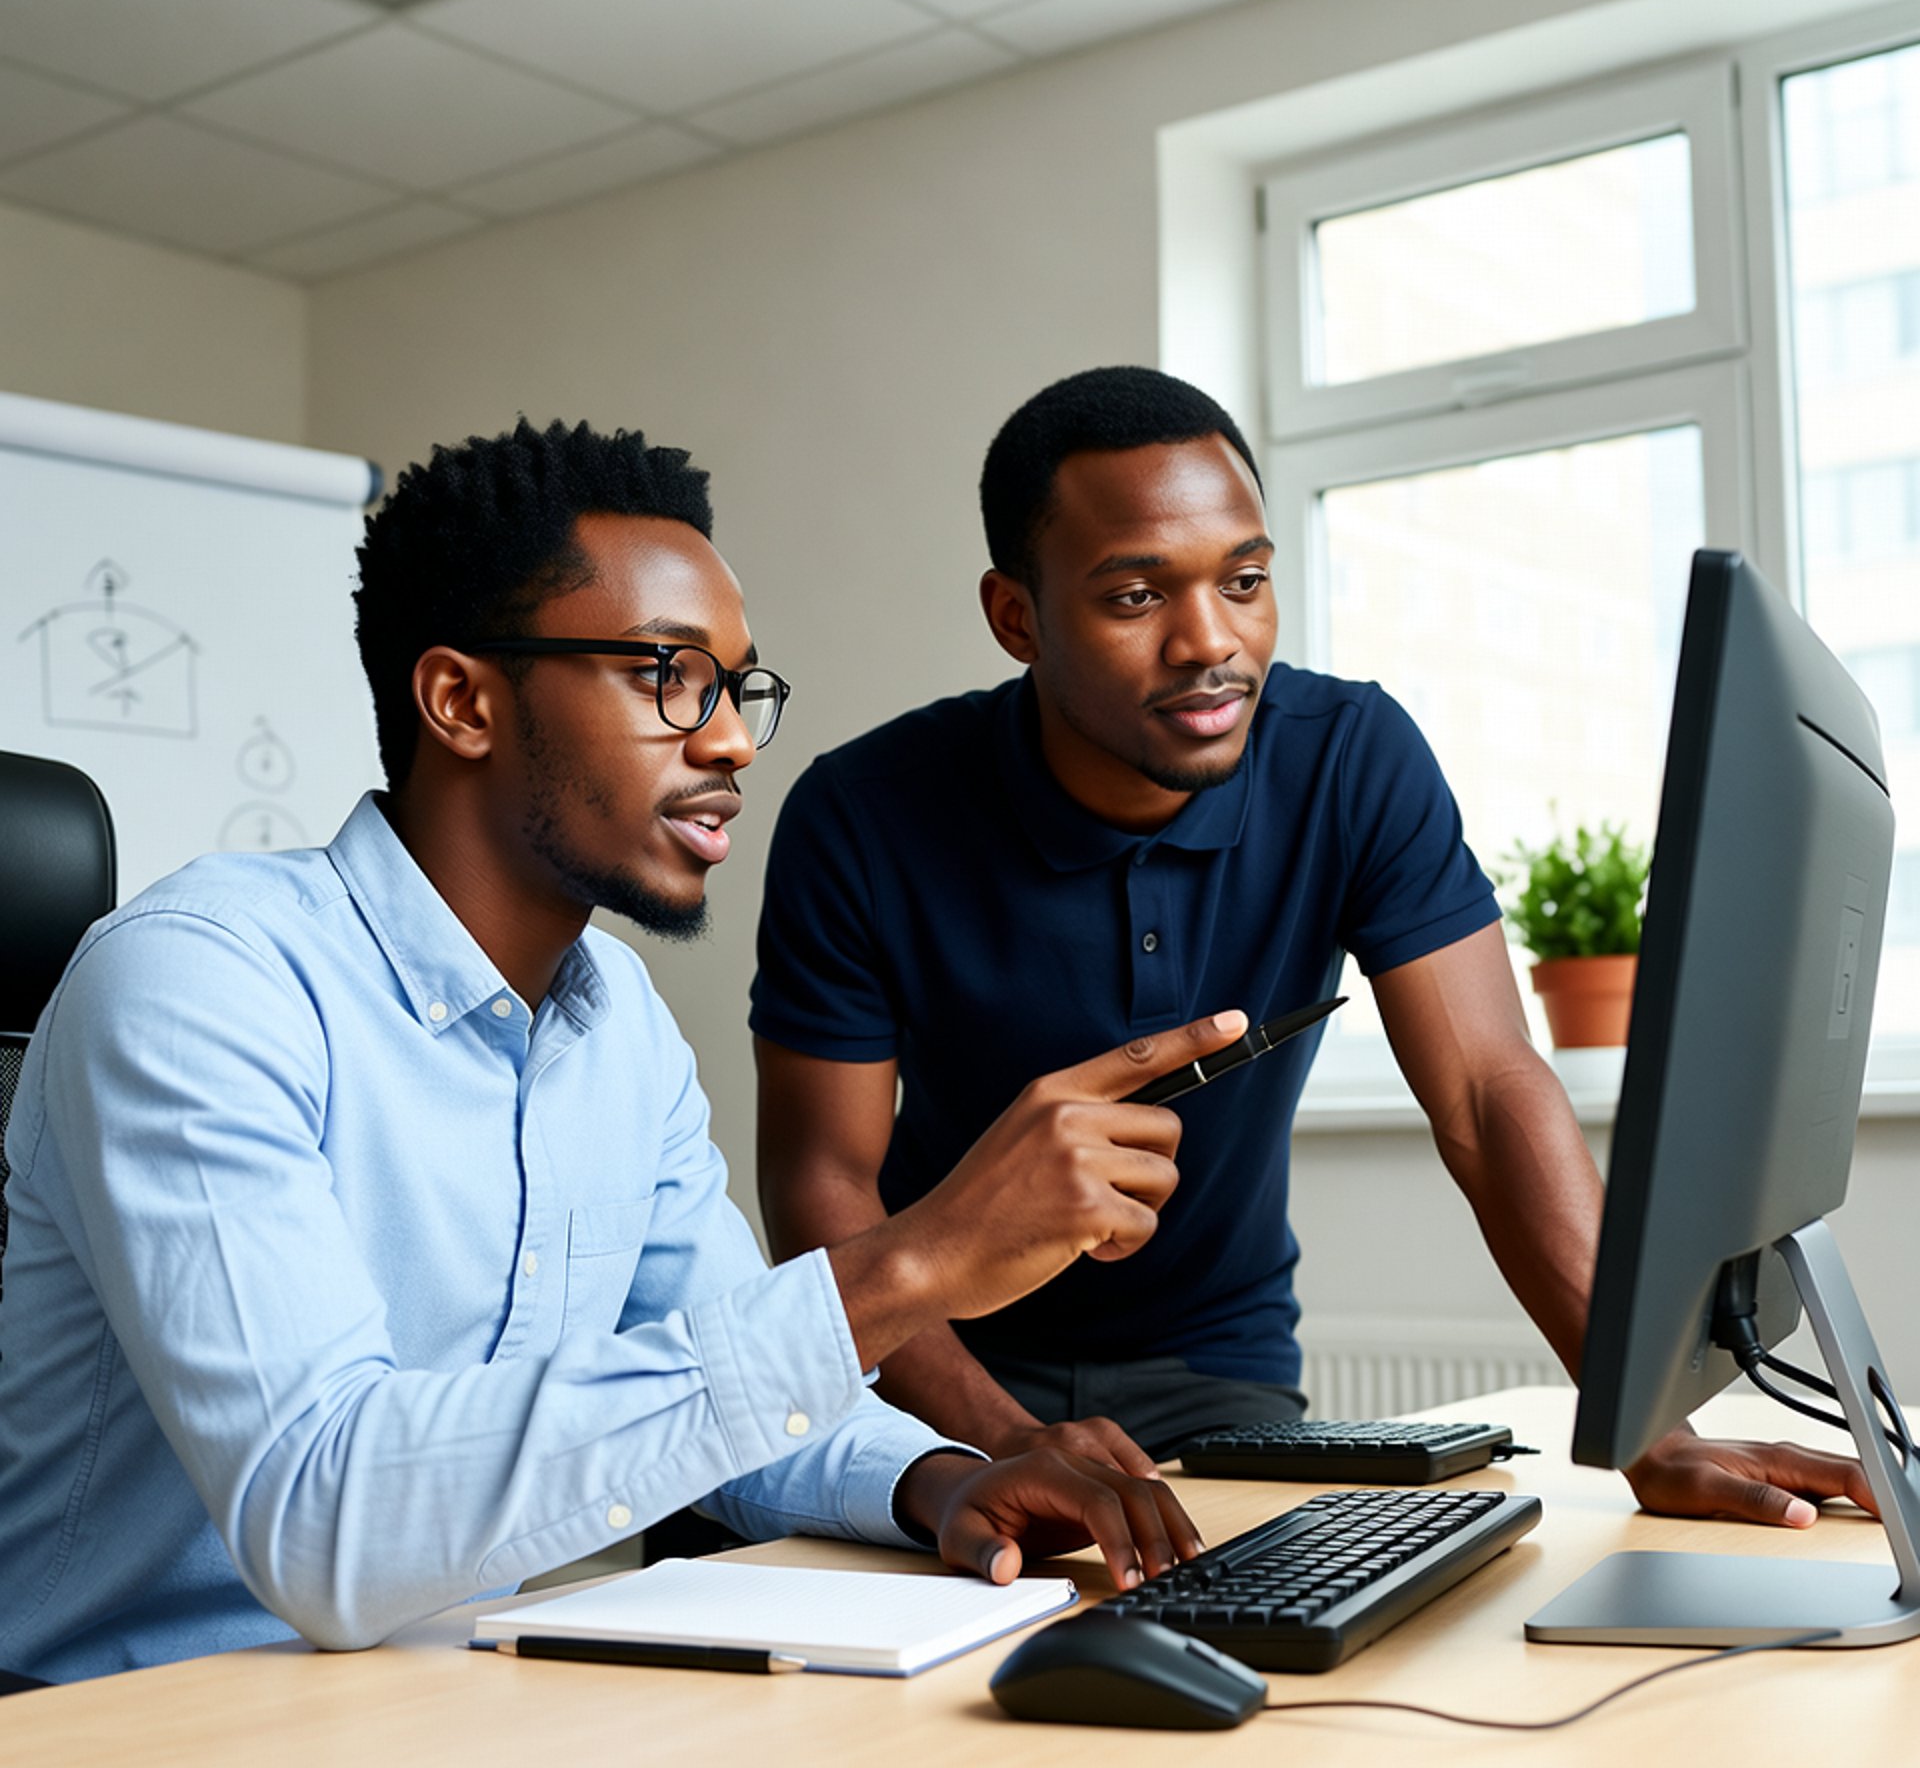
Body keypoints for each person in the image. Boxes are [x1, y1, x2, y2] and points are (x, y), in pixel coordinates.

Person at [0, 418, 1212, 1686]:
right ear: (462, 700)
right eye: (668, 675)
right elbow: (327, 1515)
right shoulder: (200, 978)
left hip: (435, 1694)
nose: (735, 741)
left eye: (739, 689)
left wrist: (945, 1480)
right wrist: (913, 1262)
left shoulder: (614, 1022)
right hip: (127, 1715)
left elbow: (738, 1396)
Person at [752, 365, 1876, 1526]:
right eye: (1137, 597)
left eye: (1244, 582)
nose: (1211, 642)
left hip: (1216, 1375)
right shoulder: (863, 812)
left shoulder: (1352, 757)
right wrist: (1000, 1440)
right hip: (932, 1382)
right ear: (1017, 618)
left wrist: (1649, 1428)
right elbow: (818, 1178)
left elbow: (1489, 1097)